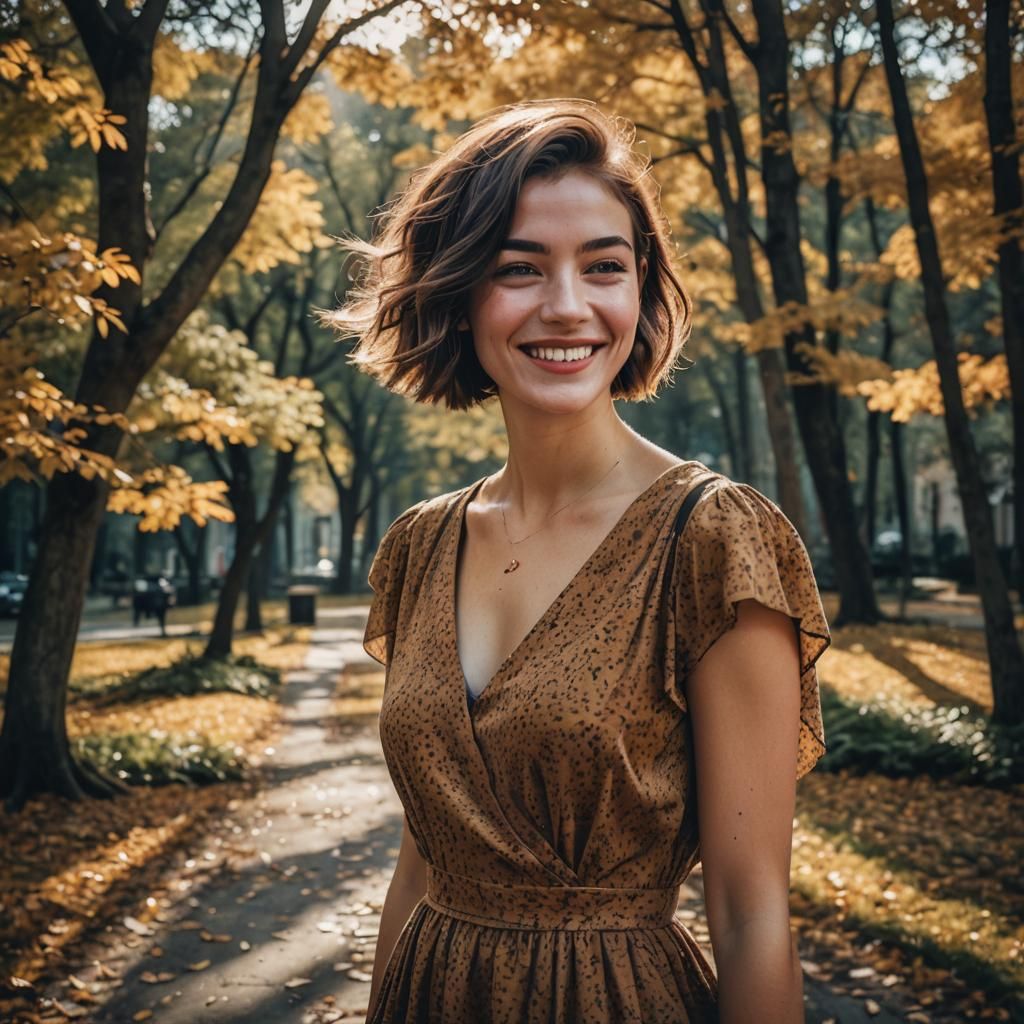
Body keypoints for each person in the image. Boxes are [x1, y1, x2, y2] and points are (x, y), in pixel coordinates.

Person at [326, 98, 831, 1024]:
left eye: (604, 267)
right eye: (520, 269)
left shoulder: (713, 541)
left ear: (641, 294)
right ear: (459, 292)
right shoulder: (421, 543)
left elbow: (753, 915)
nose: (568, 306)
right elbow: (424, 857)